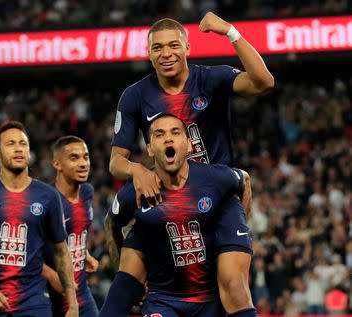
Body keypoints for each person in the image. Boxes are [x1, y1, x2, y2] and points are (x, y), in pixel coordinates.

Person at [108, 12, 274, 317]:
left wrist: (230, 31)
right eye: (157, 47)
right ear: (148, 53)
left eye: (173, 45)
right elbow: (115, 161)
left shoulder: (210, 79)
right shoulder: (134, 96)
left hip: (218, 197)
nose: (166, 53)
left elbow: (264, 82)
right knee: (126, 281)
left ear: (187, 48)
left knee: (234, 289)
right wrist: (137, 170)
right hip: (164, 197)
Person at [103, 114, 252, 316]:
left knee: (236, 290)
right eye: (159, 134)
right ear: (149, 149)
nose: (168, 138)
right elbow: (111, 223)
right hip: (163, 297)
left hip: (208, 296)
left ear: (189, 145)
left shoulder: (214, 178)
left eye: (175, 132)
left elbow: (244, 179)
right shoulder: (134, 192)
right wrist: (120, 265)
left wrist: (239, 231)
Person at [0, 121, 78, 317]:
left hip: (35, 301)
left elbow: (61, 251)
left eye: (23, 143)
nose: (19, 148)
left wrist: (73, 305)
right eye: (11, 144)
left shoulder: (48, 196)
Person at [42, 136, 99, 316]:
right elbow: (27, 252)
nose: (83, 163)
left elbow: (76, 230)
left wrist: (84, 253)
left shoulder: (87, 192)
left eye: (86, 157)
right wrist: (52, 276)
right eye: (74, 158)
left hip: (80, 291)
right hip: (48, 295)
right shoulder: (46, 200)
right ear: (57, 164)